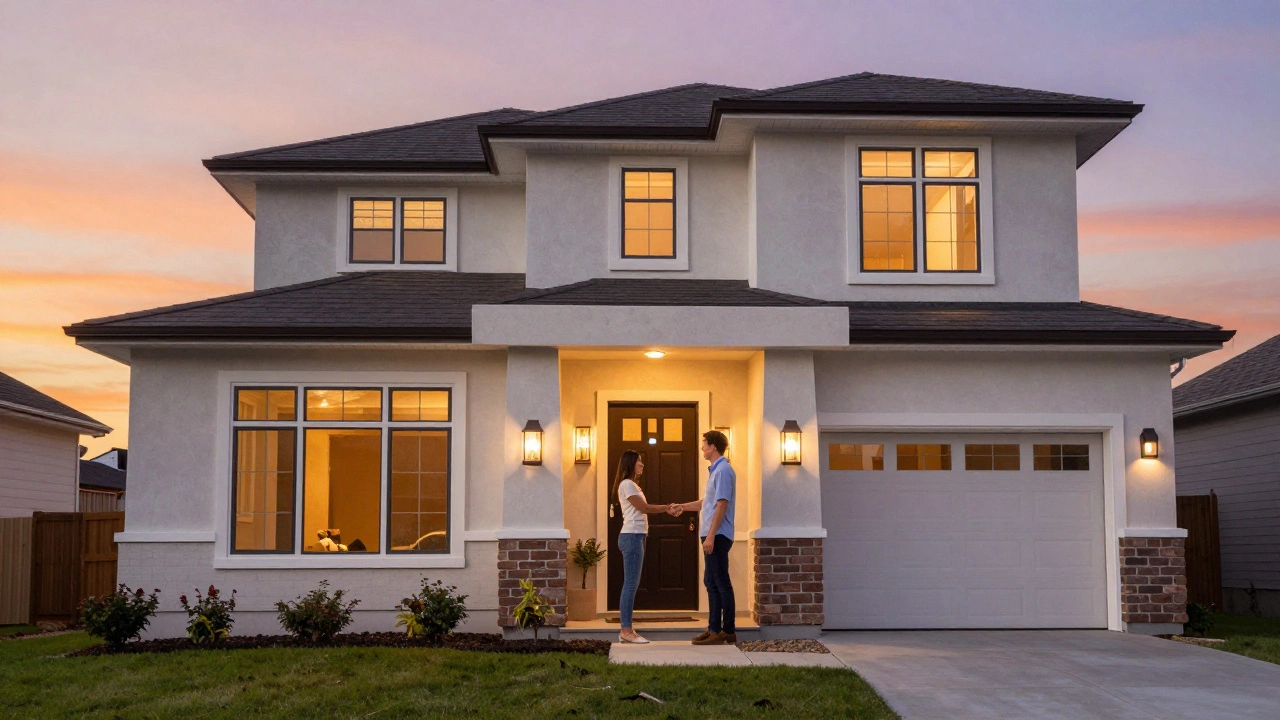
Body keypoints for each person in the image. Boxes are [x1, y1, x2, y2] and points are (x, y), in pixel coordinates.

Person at [668, 429, 736, 645]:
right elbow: (706, 503)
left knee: (721, 582)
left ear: (713, 446)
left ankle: (727, 631)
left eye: (704, 443)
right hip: (711, 534)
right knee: (711, 582)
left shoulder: (724, 470)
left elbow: (722, 504)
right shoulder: (715, 471)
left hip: (717, 535)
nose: (702, 447)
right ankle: (714, 628)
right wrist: (683, 506)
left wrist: (711, 536)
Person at [613, 449, 678, 644]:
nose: (642, 465)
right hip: (631, 536)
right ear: (631, 463)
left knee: (632, 583)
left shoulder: (633, 485)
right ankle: (626, 630)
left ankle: (627, 629)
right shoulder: (627, 484)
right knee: (631, 584)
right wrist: (668, 508)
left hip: (637, 536)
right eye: (639, 461)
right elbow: (644, 508)